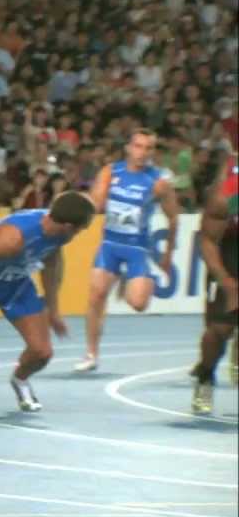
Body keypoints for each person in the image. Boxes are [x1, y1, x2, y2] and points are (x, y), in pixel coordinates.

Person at [0, 192, 97, 412]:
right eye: (81, 229)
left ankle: (20, 380)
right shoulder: (12, 239)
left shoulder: (59, 232)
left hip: (17, 286)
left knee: (42, 352)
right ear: (68, 226)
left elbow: (51, 262)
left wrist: (53, 310)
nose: (80, 233)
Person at [75, 129, 180, 372]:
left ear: (153, 151)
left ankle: (140, 281)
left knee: (138, 304)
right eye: (138, 146)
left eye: (148, 148)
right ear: (129, 147)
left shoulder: (158, 182)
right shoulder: (111, 171)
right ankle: (91, 354)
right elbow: (96, 203)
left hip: (136, 248)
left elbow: (174, 218)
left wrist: (168, 255)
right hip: (110, 245)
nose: (142, 153)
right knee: (96, 296)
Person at [190, 156, 238, 414]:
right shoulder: (226, 195)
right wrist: (227, 281)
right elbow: (208, 241)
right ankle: (205, 375)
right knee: (219, 331)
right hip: (229, 257)